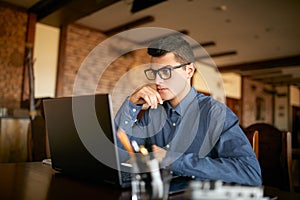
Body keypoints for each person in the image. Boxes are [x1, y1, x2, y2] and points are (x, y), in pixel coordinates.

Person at [114, 34, 262, 186]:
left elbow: (249, 172)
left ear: (189, 71)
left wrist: (172, 160)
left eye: (166, 72)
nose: (157, 81)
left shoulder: (215, 113)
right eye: (154, 73)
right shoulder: (153, 111)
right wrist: (132, 104)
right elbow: (118, 155)